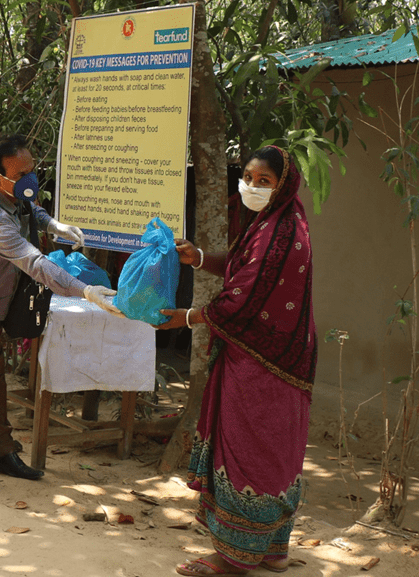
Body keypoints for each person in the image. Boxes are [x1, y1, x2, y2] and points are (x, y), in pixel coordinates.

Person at [0, 134, 121, 501]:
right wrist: (84, 290)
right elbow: (33, 262)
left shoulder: (7, 192)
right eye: (23, 173)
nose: (30, 179)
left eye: (32, 170)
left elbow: (29, 208)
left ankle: (0, 453)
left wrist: (53, 225)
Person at [157, 146, 316, 576]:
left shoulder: (283, 233)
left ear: (283, 184)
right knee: (276, 452)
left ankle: (233, 560)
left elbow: (243, 299)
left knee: (249, 453)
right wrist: (202, 258)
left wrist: (186, 318)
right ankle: (272, 550)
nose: (251, 186)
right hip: (282, 362)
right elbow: (246, 268)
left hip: (260, 365)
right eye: (247, 176)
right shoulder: (274, 223)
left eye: (263, 181)